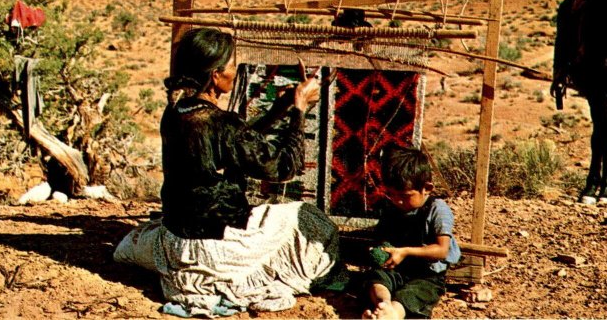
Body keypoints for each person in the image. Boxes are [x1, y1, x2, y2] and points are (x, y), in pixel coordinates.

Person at [113, 27, 339, 317]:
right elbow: (285, 168)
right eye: (232, 66)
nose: (235, 71)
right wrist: (299, 110)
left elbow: (236, 142)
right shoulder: (220, 124)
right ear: (215, 75)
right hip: (213, 247)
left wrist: (279, 108)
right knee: (309, 219)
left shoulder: (176, 112)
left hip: (175, 239)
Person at [361, 146, 461, 319]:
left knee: (414, 294)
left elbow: (441, 250)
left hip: (427, 275)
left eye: (404, 195)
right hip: (397, 270)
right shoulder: (392, 208)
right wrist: (380, 251)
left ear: (427, 188)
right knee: (376, 279)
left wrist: (405, 251)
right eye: (391, 194)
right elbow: (382, 236)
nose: (397, 200)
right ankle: (383, 305)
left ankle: (393, 313)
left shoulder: (437, 209)